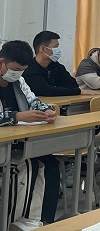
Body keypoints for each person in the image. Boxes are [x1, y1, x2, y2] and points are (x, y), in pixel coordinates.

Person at [0, 41, 60, 224]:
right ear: (1, 62)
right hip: (5, 145)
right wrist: (17, 116)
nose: (18, 74)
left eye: (22, 70)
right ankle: (13, 220)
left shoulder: (18, 81)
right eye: (15, 69)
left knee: (51, 164)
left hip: (19, 141)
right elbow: (17, 116)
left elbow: (33, 100)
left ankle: (44, 221)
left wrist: (47, 111)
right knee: (28, 165)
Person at [23, 31, 94, 97]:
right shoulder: (29, 69)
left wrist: (57, 90)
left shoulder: (56, 66)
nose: (58, 50)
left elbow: (73, 84)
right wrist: (77, 91)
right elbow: (46, 91)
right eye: (55, 46)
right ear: (43, 49)